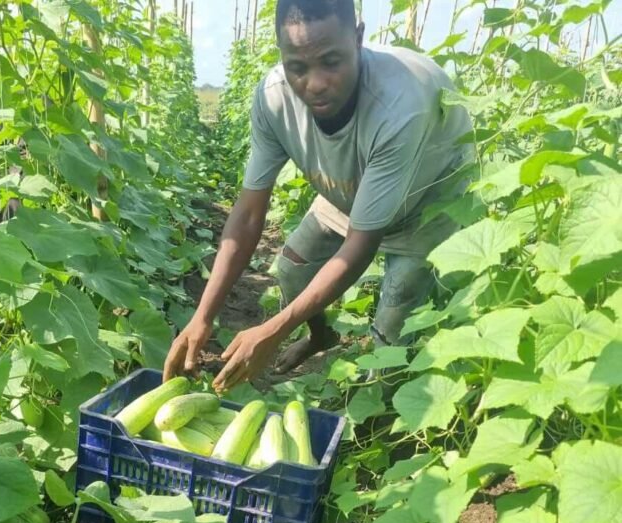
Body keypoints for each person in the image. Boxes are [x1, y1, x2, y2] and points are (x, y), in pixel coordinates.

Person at [163, 0, 473, 391]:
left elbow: (361, 243)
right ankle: (322, 337)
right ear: (281, 54)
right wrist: (202, 316)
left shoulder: (398, 106)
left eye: (331, 62)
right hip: (351, 188)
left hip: (427, 198)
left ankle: (374, 409)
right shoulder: (274, 99)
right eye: (297, 67)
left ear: (358, 39)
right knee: (293, 268)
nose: (315, 83)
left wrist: (275, 329)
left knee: (389, 343)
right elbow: (248, 214)